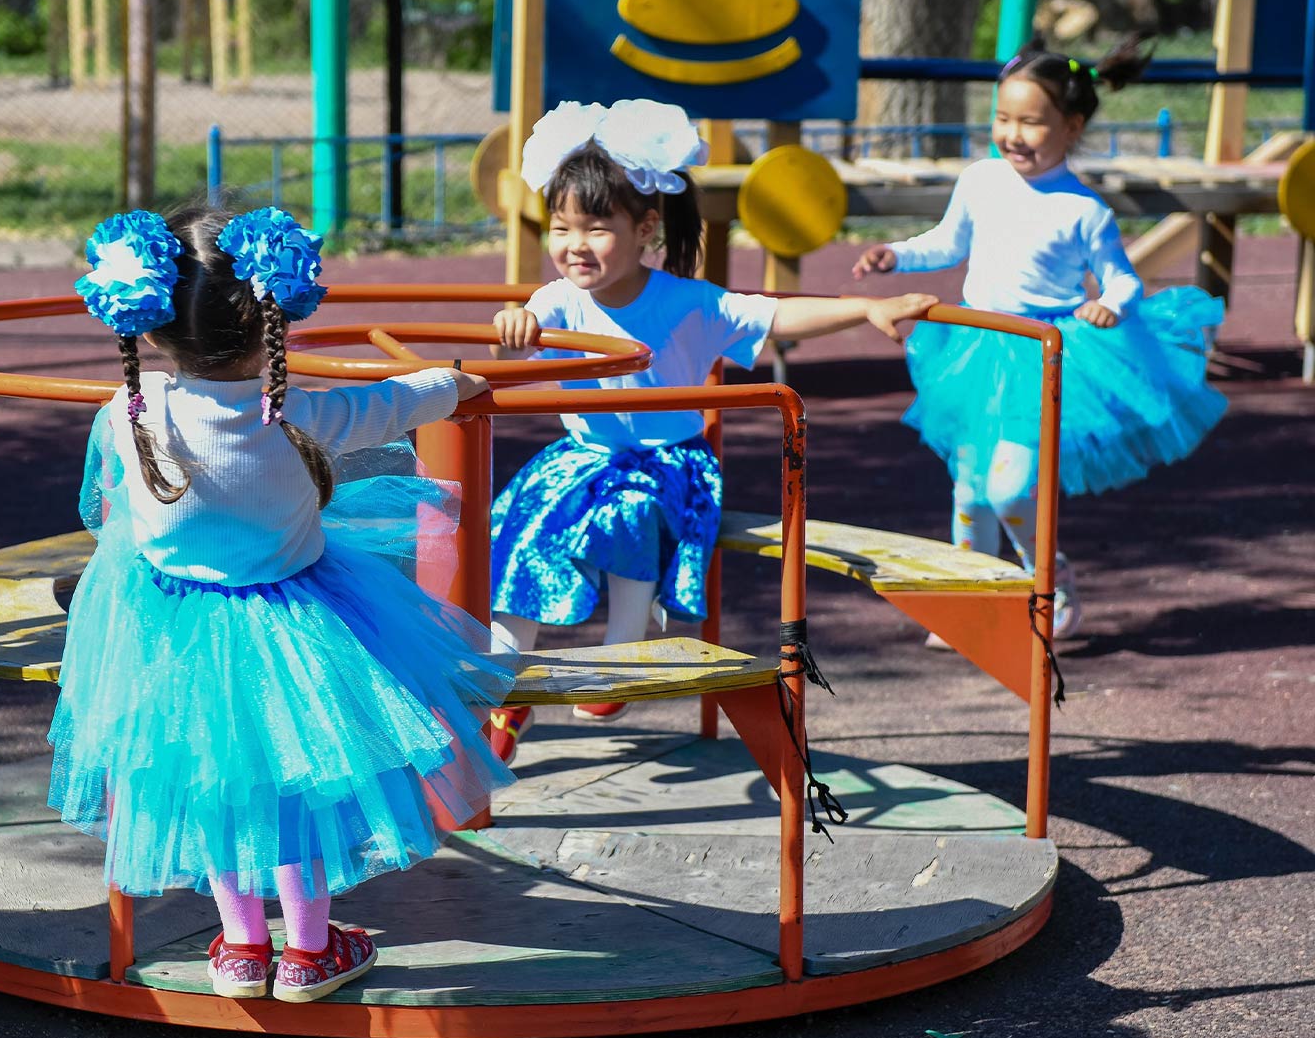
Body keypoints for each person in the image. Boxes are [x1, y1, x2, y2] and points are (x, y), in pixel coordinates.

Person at [48, 206, 516, 1004]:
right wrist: (458, 382)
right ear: (276, 323)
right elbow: (397, 402)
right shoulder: (296, 412)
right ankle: (307, 950)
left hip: (167, 630)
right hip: (295, 629)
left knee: (214, 782)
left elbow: (104, 506)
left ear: (152, 330)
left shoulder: (127, 412)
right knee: (298, 785)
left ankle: (238, 945)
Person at [486, 100, 936, 759]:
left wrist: (867, 307)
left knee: (631, 516)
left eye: (595, 227)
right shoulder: (556, 300)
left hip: (671, 465)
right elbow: (507, 351)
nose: (574, 244)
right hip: (581, 459)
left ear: (645, 229)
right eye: (561, 226)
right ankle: (503, 688)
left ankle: (621, 659)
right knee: (522, 524)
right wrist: (510, 327)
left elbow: (777, 317)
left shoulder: (687, 302)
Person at [854, 38, 1226, 645]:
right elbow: (948, 243)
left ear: (1071, 126)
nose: (1013, 134)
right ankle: (969, 602)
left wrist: (1111, 304)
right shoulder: (980, 180)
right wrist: (895, 255)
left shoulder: (1083, 210)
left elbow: (1123, 278)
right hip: (976, 345)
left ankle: (1047, 578)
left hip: (1044, 355)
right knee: (971, 489)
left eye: (1031, 122)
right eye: (1003, 118)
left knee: (1009, 487)